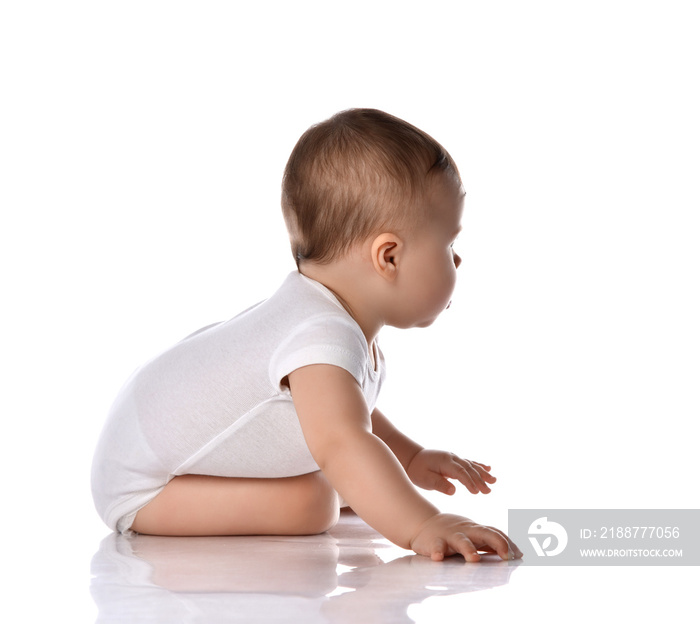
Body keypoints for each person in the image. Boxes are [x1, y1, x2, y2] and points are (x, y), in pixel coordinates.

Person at [91, 108, 523, 562]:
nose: (458, 261)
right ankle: (365, 486)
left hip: (142, 440)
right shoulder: (321, 333)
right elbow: (342, 439)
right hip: (143, 489)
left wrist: (410, 458)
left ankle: (367, 483)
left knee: (337, 473)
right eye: (449, 243)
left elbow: (351, 415)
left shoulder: (322, 317)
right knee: (314, 502)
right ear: (389, 257)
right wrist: (421, 523)